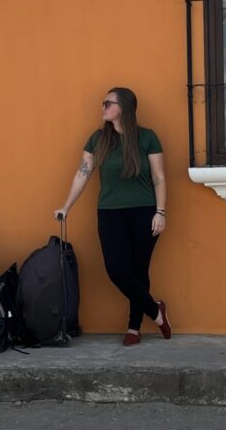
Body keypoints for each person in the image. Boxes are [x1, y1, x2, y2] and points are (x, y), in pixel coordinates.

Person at [55, 87, 171, 346]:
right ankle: (156, 312)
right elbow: (82, 173)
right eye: (103, 103)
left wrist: (160, 212)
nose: (103, 107)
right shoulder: (98, 140)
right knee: (117, 271)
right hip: (110, 213)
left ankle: (134, 327)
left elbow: (159, 178)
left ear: (124, 108)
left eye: (108, 103)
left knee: (139, 271)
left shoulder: (147, 138)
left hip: (144, 211)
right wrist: (66, 206)